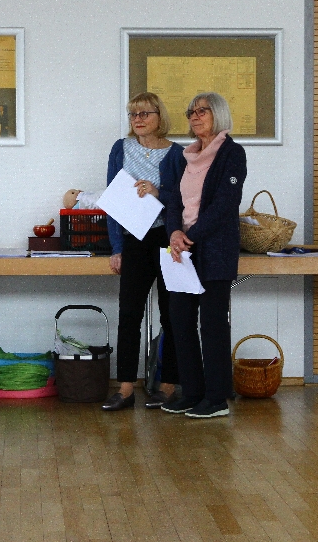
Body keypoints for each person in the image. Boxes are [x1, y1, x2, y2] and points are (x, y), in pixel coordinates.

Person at [160, 92, 247, 419]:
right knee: (180, 321)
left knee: (212, 324)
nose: (194, 117)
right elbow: (174, 200)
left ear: (218, 114)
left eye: (202, 111)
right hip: (182, 251)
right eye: (191, 112)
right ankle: (193, 392)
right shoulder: (187, 156)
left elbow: (225, 204)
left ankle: (217, 398)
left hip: (214, 250)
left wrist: (190, 236)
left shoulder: (232, 153)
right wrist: (174, 233)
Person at [102, 92, 185, 411]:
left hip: (167, 237)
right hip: (133, 238)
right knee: (128, 314)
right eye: (133, 114)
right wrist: (117, 247)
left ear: (159, 117)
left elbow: (184, 200)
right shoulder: (120, 148)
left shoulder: (177, 154)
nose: (137, 119)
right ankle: (125, 389)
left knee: (171, 313)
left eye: (144, 114)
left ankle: (167, 386)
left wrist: (158, 192)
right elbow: (112, 200)